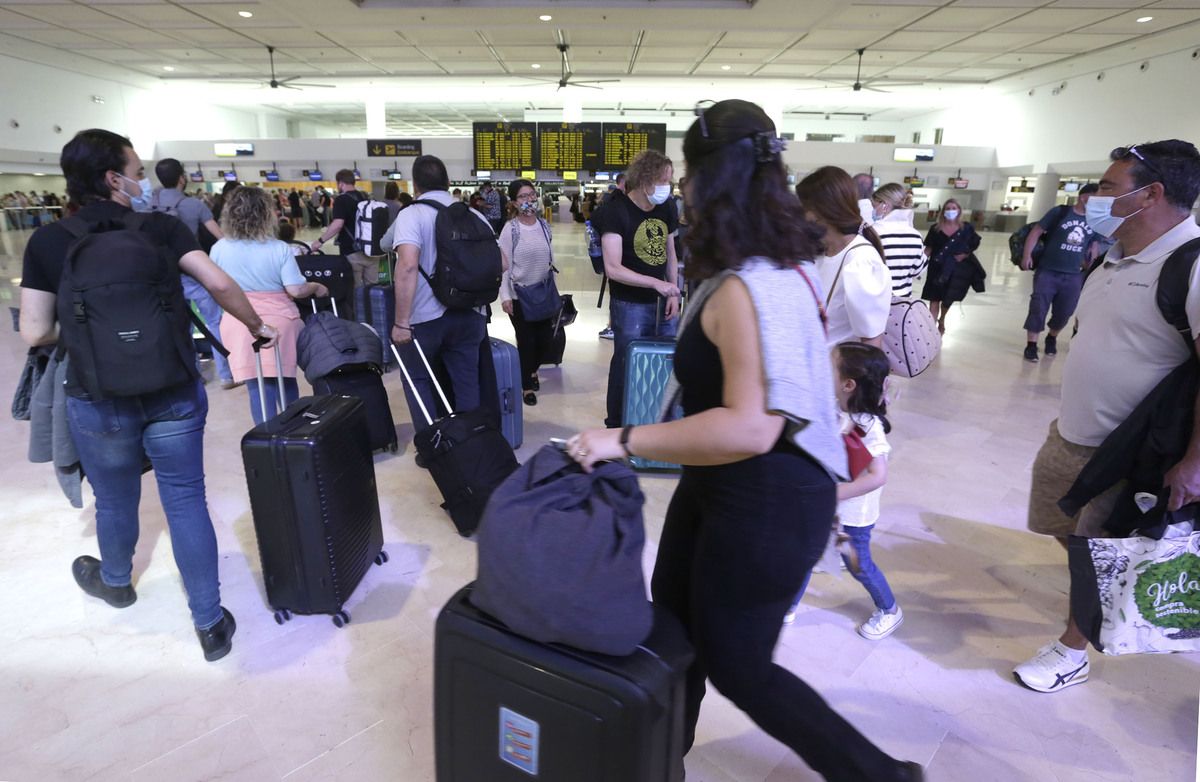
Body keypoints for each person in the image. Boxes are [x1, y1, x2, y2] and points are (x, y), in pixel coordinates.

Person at [565, 100, 923, 782]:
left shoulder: (753, 282)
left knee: (738, 664)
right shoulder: (762, 266)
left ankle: (881, 775)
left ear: (709, 179)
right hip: (722, 487)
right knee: (670, 636)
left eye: (688, 175)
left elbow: (752, 427)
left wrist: (623, 438)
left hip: (768, 501)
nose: (682, 191)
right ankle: (656, 761)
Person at [18, 128, 278, 662]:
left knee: (114, 497)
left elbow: (35, 331)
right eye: (136, 172)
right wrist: (256, 327)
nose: (142, 181)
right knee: (185, 498)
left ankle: (116, 582)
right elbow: (220, 285)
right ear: (113, 179)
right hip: (172, 385)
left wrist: (98, 335)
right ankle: (210, 624)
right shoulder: (161, 228)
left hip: (98, 394)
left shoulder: (48, 241)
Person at [1014, 140, 1200, 694]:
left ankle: (1073, 650)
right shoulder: (1112, 257)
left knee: (1099, 547)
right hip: (1072, 433)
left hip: (1130, 451)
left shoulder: (1191, 265)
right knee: (1062, 531)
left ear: (1153, 195)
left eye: (1109, 187)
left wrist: (1193, 461)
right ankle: (1093, 590)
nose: (1094, 197)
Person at [784, 342, 901, 642]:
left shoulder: (867, 427)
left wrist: (833, 493)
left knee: (858, 565)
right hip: (827, 509)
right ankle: (789, 604)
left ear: (849, 384)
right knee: (805, 554)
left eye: (829, 367)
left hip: (852, 517)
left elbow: (877, 476)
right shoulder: (839, 408)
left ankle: (889, 609)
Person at [389, 155, 491, 437]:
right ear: (448, 183)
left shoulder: (411, 214)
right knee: (466, 380)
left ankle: (432, 446)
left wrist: (400, 322)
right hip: (470, 314)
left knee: (418, 378)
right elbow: (502, 262)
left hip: (424, 316)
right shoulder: (474, 215)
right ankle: (471, 441)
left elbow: (408, 264)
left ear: (415, 184)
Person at [211, 186, 328, 424]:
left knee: (257, 386)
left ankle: (266, 441)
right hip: (280, 321)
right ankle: (293, 435)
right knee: (285, 381)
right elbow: (295, 290)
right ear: (266, 214)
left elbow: (216, 288)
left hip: (238, 322)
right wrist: (316, 286)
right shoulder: (278, 248)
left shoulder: (219, 249)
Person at [594, 149, 681, 428]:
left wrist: (674, 292)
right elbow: (613, 268)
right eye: (662, 180)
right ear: (644, 180)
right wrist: (657, 283)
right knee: (626, 362)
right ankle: (617, 423)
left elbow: (670, 253)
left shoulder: (666, 208)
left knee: (665, 364)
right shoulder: (614, 211)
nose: (667, 187)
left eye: (669, 181)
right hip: (630, 304)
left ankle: (655, 419)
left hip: (663, 303)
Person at [147, 158, 237, 390]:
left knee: (180, 324)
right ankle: (226, 375)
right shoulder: (194, 205)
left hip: (162, 274)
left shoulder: (148, 205)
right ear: (182, 178)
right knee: (213, 320)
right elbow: (220, 236)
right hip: (193, 271)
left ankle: (195, 374)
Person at [796, 166, 890, 347]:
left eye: (803, 207)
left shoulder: (861, 260)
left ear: (820, 211)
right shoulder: (821, 253)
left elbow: (870, 341)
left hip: (836, 371)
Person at [1020, 183, 1098, 362]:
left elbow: (1094, 243)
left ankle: (1052, 337)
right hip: (1048, 270)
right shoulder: (1060, 212)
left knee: (1065, 312)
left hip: (1074, 274)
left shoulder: (1094, 220)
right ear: (1083, 197)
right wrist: (1027, 255)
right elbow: (1036, 231)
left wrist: (1092, 259)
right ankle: (1031, 345)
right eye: (1094, 198)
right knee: (1038, 307)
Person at [499, 179, 558, 406]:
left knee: (545, 340)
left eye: (531, 195)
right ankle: (526, 386)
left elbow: (549, 256)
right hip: (520, 296)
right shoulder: (510, 229)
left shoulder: (544, 225)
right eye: (523, 197)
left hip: (543, 292)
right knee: (526, 342)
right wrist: (505, 296)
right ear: (514, 202)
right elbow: (504, 267)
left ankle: (533, 370)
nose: (529, 200)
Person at [921, 199, 984, 334]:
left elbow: (974, 244)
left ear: (959, 210)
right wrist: (918, 264)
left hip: (955, 269)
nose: (950, 211)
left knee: (947, 299)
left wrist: (965, 255)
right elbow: (929, 249)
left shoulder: (966, 228)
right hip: (936, 268)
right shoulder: (935, 229)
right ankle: (931, 332)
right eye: (948, 208)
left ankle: (942, 319)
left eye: (953, 208)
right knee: (934, 299)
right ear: (943, 211)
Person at [309, 169, 377, 286]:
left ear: (340, 183)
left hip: (351, 251)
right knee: (372, 289)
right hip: (370, 250)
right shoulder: (364, 197)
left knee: (353, 290)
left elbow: (338, 224)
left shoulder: (341, 199)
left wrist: (320, 241)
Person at [870, 183, 927, 299]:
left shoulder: (872, 233)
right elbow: (918, 271)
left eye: (874, 205)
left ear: (884, 205)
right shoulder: (915, 236)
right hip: (903, 303)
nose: (873, 210)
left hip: (877, 301)